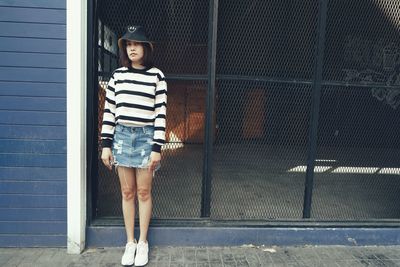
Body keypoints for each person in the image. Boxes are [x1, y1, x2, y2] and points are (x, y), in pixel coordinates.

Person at [100, 25, 167, 266]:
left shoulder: (157, 76)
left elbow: (160, 114)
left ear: (145, 48)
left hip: (146, 137)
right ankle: (130, 242)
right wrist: (106, 145)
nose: (132, 48)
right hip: (121, 138)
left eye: (136, 44)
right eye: (128, 45)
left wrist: (157, 148)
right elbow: (109, 112)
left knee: (143, 192)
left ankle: (143, 242)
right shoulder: (117, 76)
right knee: (127, 192)